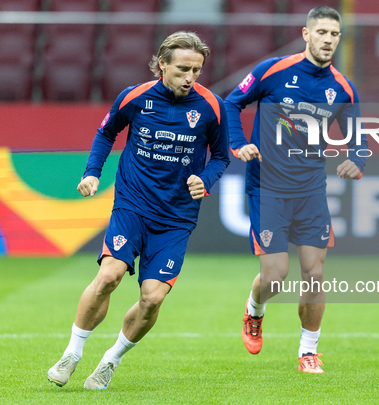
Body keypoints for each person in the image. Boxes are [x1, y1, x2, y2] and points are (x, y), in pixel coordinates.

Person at [47, 31, 229, 389]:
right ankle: (72, 352)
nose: (190, 78)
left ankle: (110, 360)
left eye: (197, 70)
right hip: (132, 203)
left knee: (153, 297)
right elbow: (106, 132)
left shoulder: (212, 106)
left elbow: (221, 155)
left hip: (176, 217)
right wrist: (92, 174)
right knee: (110, 274)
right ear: (162, 64)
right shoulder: (135, 96)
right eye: (182, 69)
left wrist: (206, 179)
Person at [224, 6, 368, 373]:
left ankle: (308, 351)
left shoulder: (342, 87)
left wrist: (358, 160)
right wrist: (239, 144)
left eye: (334, 34)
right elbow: (230, 104)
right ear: (306, 35)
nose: (328, 40)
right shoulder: (273, 71)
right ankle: (254, 311)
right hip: (267, 187)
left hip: (311, 191)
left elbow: (359, 135)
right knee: (275, 276)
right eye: (321, 32)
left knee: (315, 274)